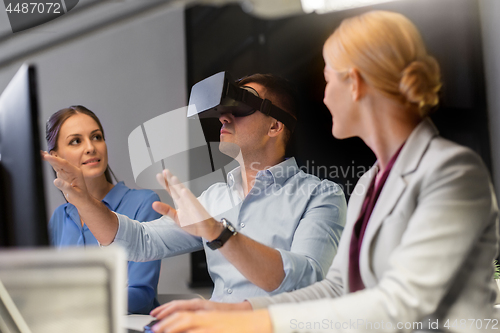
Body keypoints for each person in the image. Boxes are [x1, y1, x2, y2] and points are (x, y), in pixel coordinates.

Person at [147, 11, 500, 333]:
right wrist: (235, 312)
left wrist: (256, 322)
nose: (325, 97)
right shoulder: (369, 183)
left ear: (356, 83)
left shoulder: (453, 172)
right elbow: (336, 287)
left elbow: (401, 305)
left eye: (328, 81)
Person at [42, 75, 347, 303]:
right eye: (224, 109)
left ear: (274, 126)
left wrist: (218, 233)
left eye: (240, 107)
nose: (224, 117)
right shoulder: (215, 198)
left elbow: (308, 281)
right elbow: (140, 241)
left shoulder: (320, 196)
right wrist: (80, 198)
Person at [45, 105, 162, 315]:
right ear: (56, 157)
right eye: (76, 141)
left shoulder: (144, 204)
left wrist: (72, 307)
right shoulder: (59, 218)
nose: (91, 147)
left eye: (96, 137)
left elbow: (141, 297)